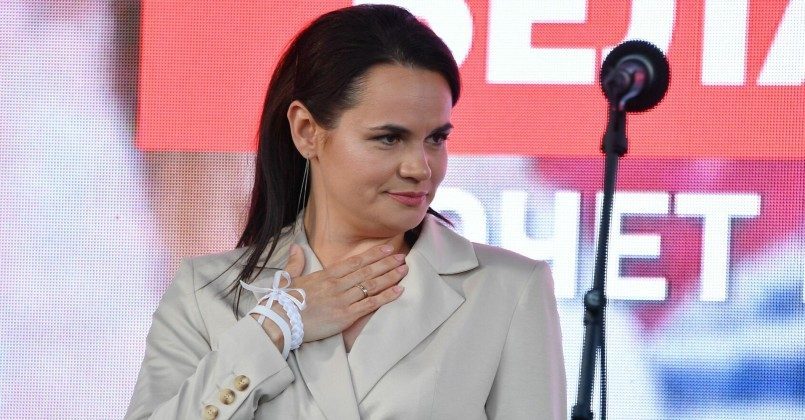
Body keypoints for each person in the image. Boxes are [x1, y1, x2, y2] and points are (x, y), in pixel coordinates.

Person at [125, 4, 566, 419]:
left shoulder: (508, 289)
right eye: (389, 138)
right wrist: (274, 328)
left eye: (436, 138)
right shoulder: (206, 292)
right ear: (306, 131)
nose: (420, 168)